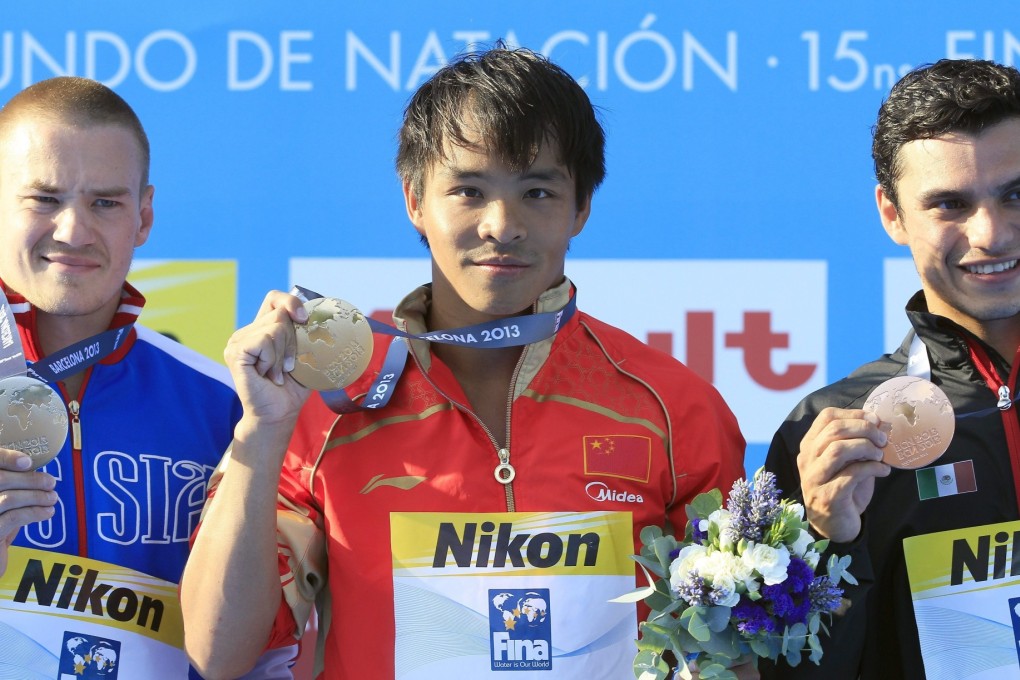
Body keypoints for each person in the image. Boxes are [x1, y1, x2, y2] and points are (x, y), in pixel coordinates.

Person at [181, 46, 746, 679]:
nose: (502, 225)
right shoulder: (320, 402)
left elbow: (735, 654)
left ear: (581, 207)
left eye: (538, 190)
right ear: (415, 200)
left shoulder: (674, 407)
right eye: (469, 190)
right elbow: (218, 652)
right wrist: (261, 436)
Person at [761, 58, 1020, 679]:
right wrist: (828, 541)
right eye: (950, 205)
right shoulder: (835, 431)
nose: (991, 234)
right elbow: (797, 673)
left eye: (1016, 194)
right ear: (892, 214)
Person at [0, 77, 248, 677]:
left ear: (143, 217)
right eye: (44, 199)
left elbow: (263, 654)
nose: (73, 231)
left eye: (105, 202)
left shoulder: (225, 406)